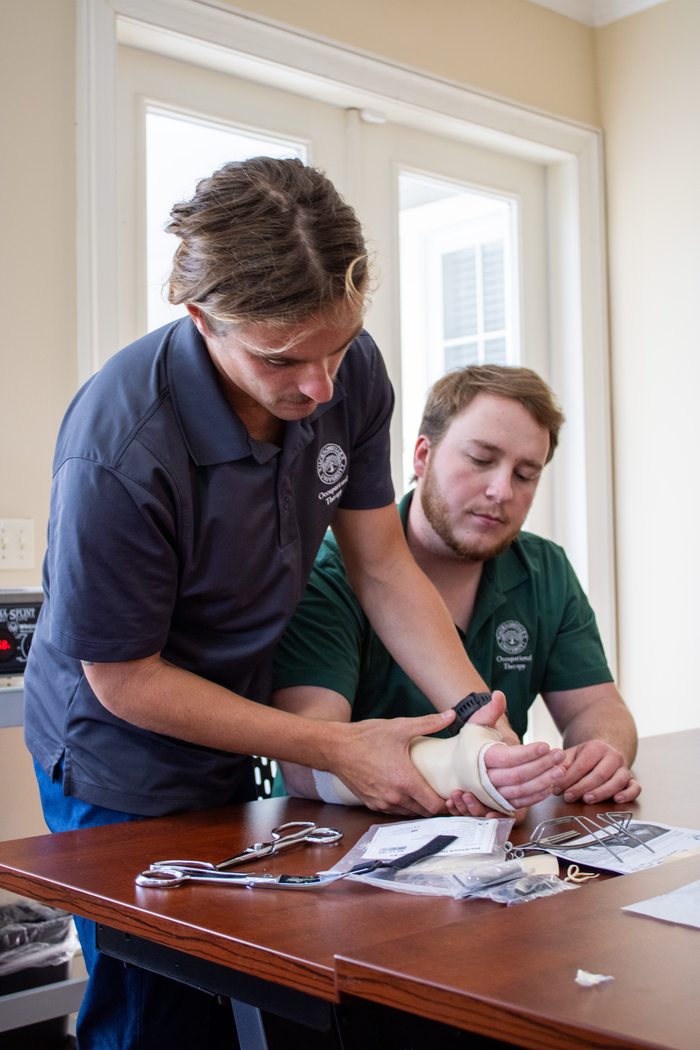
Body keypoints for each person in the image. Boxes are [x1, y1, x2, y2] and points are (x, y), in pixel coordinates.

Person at [23, 160, 565, 1049]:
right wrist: (336, 748)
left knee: (259, 987)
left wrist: (479, 721)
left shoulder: (345, 368)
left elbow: (382, 563)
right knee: (159, 1008)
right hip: (118, 748)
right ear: (202, 319)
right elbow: (123, 678)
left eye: (340, 346)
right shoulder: (121, 446)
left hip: (232, 719)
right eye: (282, 359)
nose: (321, 388)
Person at [272, 365, 640, 818]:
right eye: (482, 460)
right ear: (422, 455)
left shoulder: (545, 569)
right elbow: (305, 759)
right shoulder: (329, 572)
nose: (501, 490)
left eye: (526, 475)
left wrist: (601, 751)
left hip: (492, 845)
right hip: (335, 847)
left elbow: (598, 705)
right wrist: (460, 772)